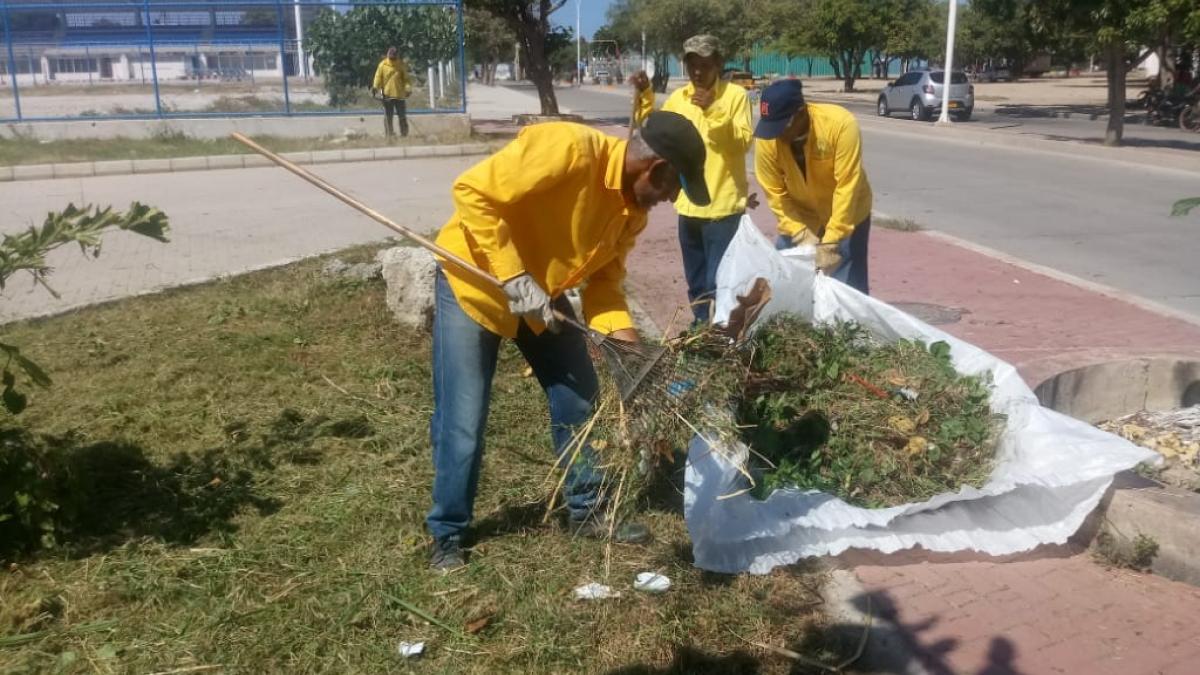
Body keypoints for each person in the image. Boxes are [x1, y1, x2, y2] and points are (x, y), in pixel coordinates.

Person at [426, 112, 710, 571]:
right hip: (474, 284)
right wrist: (513, 274)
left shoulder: (629, 216)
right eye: (670, 188)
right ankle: (448, 531)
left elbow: (604, 287)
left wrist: (632, 354)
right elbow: (472, 192)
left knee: (581, 400)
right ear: (654, 169)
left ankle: (587, 511)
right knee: (464, 419)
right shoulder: (570, 149)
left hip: (543, 297)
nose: (667, 201)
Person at [632, 35, 752, 325]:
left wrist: (713, 109)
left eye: (705, 65)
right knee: (697, 280)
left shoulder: (735, 97)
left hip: (722, 208)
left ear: (718, 65)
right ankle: (702, 328)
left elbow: (741, 144)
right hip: (687, 204)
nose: (698, 72)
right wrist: (645, 94)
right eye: (692, 65)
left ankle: (719, 332)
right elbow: (654, 131)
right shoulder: (679, 98)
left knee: (719, 280)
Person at [753, 79, 873, 294]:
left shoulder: (840, 125)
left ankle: (852, 324)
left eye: (781, 126)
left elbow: (847, 186)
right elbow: (775, 193)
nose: (776, 136)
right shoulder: (768, 138)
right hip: (800, 215)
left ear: (800, 112)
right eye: (772, 127)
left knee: (846, 289)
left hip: (846, 213)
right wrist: (799, 232)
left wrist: (832, 241)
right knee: (782, 277)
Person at [372, 47, 411, 139]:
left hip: (399, 95)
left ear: (396, 55)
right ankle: (389, 134)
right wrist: (375, 87)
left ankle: (404, 134)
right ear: (388, 54)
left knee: (402, 116)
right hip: (387, 95)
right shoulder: (383, 65)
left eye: (394, 55)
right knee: (388, 117)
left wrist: (408, 89)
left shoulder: (401, 65)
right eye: (390, 55)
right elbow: (378, 77)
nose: (392, 56)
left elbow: (406, 79)